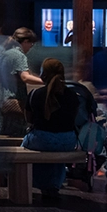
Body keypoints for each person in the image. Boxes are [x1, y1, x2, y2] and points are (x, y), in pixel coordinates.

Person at [22, 58, 80, 198]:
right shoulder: (73, 95)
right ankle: (54, 185)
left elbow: (29, 120)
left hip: (42, 139)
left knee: (27, 145)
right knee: (57, 151)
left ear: (43, 75)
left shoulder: (35, 94)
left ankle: (39, 184)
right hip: (68, 140)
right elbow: (75, 118)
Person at [0, 28, 43, 136]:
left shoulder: (2, 53)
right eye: (31, 44)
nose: (30, 47)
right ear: (25, 41)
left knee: (2, 132)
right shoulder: (18, 55)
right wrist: (46, 81)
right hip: (13, 99)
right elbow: (25, 77)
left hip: (0, 96)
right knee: (16, 133)